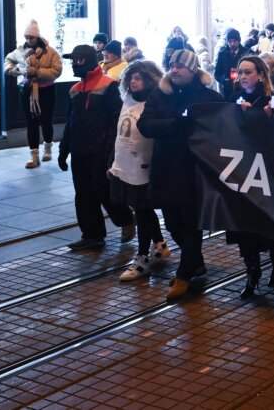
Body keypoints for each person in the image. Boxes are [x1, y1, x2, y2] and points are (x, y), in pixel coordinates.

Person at [137, 49, 224, 301]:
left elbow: (224, 127)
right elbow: (145, 124)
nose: (174, 70)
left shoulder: (209, 97)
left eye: (181, 67)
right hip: (165, 168)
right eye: (172, 66)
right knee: (173, 223)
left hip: (194, 170)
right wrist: (173, 125)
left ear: (193, 70)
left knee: (190, 224)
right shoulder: (160, 94)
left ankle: (184, 274)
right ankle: (194, 262)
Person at [57, 45, 136, 250]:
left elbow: (116, 119)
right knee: (83, 193)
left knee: (104, 190)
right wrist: (63, 150)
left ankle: (126, 219)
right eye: (72, 60)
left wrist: (108, 148)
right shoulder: (74, 90)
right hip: (80, 149)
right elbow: (70, 121)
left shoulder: (108, 85)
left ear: (89, 61)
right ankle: (92, 235)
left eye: (78, 60)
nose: (74, 64)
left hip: (100, 151)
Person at [229, 56, 274, 298]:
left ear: (261, 75)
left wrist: (268, 117)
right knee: (244, 223)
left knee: (268, 221)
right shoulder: (236, 100)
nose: (243, 76)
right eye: (240, 72)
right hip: (244, 169)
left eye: (248, 72)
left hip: (267, 170)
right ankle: (252, 271)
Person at [109, 61, 171, 280]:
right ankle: (160, 245)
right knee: (140, 209)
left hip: (145, 165)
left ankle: (143, 257)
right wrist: (113, 162)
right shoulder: (126, 100)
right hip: (124, 164)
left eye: (139, 78)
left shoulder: (156, 103)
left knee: (143, 211)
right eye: (131, 78)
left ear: (149, 79)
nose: (133, 82)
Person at [21, 20, 62, 169]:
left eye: (31, 37)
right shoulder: (21, 50)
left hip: (47, 89)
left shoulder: (51, 52)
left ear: (38, 37)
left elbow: (57, 71)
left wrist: (37, 72)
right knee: (31, 122)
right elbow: (8, 62)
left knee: (46, 120)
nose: (28, 40)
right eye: (26, 37)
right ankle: (33, 155)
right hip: (28, 89)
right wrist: (14, 70)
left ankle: (48, 148)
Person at [214, 28, 250, 101]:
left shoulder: (247, 52)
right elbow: (217, 74)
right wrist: (224, 81)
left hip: (243, 88)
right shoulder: (222, 53)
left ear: (239, 41)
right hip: (228, 90)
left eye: (235, 41)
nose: (232, 44)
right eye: (230, 41)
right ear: (227, 42)